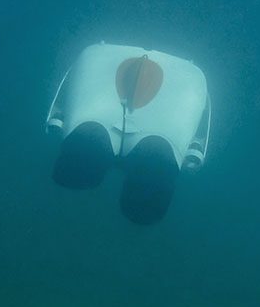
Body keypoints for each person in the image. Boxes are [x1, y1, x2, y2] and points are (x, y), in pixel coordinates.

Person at [46, 42, 210, 224]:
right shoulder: (194, 76)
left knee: (77, 166)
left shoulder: (94, 53)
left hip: (94, 104)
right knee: (148, 195)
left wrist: (61, 118)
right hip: (166, 125)